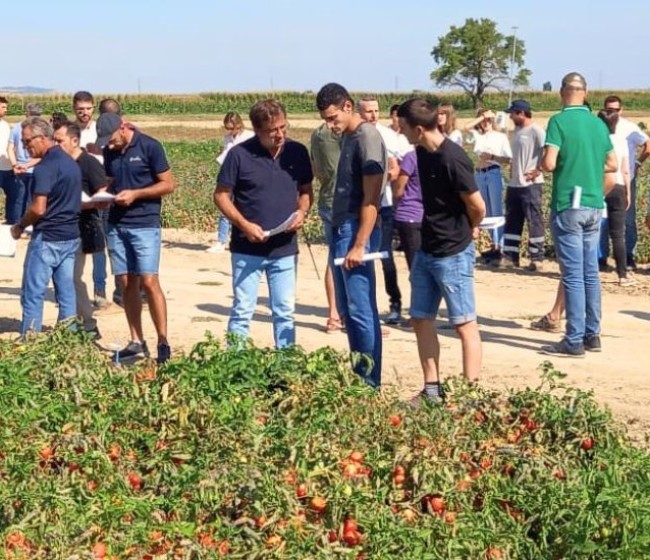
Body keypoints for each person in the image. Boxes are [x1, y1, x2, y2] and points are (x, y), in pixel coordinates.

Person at [397, 98, 486, 402]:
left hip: (453, 252)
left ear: (418, 128)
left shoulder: (453, 158)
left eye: (403, 125)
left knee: (464, 324)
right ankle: (432, 391)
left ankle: (468, 396)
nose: (399, 129)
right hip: (427, 248)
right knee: (421, 319)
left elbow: (478, 206)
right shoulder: (422, 152)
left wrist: (467, 229)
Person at [214, 99, 313, 348]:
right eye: (272, 131)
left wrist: (302, 211)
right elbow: (221, 195)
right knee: (242, 311)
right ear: (257, 131)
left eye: (283, 127)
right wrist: (244, 224)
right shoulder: (239, 155)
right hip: (247, 249)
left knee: (284, 312)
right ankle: (236, 366)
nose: (279, 134)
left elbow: (305, 190)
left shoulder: (297, 152)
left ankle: (286, 366)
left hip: (285, 249)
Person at [539, 72, 617, 357]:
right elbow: (611, 163)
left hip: (568, 201)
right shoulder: (598, 124)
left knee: (571, 274)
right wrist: (588, 163)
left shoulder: (558, 121)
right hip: (594, 202)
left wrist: (561, 162)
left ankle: (572, 340)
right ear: (585, 92)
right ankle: (591, 334)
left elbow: (549, 163)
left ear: (562, 92)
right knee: (590, 273)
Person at [316, 83, 385, 388]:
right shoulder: (348, 136)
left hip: (355, 229)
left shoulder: (367, 136)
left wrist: (359, 243)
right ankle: (360, 378)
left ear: (347, 106)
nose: (330, 125)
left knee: (360, 310)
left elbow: (371, 197)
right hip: (340, 225)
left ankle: (369, 384)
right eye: (326, 120)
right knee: (347, 310)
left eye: (333, 118)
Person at [96, 112, 176, 364]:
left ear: (123, 127)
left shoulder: (150, 146)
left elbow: (168, 184)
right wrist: (101, 193)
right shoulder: (110, 151)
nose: (108, 145)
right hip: (116, 223)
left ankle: (162, 340)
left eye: (111, 139)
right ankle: (136, 340)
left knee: (149, 281)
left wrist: (137, 194)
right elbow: (110, 180)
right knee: (125, 281)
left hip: (144, 223)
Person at [10, 117, 81, 336]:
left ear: (42, 138)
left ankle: (30, 341)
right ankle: (67, 339)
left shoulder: (45, 168)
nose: (24, 146)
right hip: (70, 237)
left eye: (27, 141)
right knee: (66, 292)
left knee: (33, 293)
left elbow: (39, 208)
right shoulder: (70, 162)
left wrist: (20, 225)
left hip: (48, 238)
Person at [53, 121, 109, 337]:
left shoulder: (88, 163)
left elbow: (103, 196)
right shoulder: (60, 162)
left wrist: (83, 203)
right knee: (64, 277)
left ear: (74, 140)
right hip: (61, 227)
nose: (56, 145)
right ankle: (74, 321)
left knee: (71, 278)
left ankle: (86, 323)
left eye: (60, 140)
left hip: (80, 228)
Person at [357, 97, 403, 325]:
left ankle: (395, 303)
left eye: (376, 110)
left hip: (383, 205)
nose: (373, 115)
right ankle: (364, 306)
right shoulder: (354, 136)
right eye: (368, 111)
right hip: (361, 205)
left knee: (384, 255)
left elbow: (397, 167)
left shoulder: (388, 136)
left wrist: (383, 179)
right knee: (362, 255)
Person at [600, 96, 650, 270]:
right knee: (602, 220)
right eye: (609, 109)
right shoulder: (600, 127)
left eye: (615, 109)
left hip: (625, 179)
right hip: (603, 179)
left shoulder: (630, 128)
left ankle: (628, 256)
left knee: (627, 220)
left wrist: (637, 164)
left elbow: (647, 144)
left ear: (621, 110)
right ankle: (601, 257)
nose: (612, 112)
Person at [501, 99, 546, 271]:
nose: (510, 117)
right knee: (512, 220)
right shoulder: (516, 132)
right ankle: (511, 256)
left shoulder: (536, 131)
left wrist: (538, 169)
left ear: (520, 113)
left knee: (534, 220)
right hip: (514, 184)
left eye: (512, 113)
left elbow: (548, 151)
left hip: (531, 185)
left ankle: (537, 258)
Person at [464, 108, 512, 264]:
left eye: (488, 120)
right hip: (479, 173)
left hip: (493, 171)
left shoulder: (500, 137)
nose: (486, 123)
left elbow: (508, 159)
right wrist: (482, 116)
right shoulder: (478, 136)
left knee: (496, 210)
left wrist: (492, 157)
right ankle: (493, 245)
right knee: (486, 211)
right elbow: (466, 128)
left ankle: (500, 246)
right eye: (483, 120)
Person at [310, 122, 343, 333]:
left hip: (326, 200)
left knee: (334, 257)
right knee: (349, 258)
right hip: (343, 204)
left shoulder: (317, 134)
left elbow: (315, 170)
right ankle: (345, 315)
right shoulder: (340, 134)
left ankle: (334, 315)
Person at [207, 112, 255, 253]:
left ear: (238, 125)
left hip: (245, 177)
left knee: (246, 208)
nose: (230, 131)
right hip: (229, 177)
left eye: (231, 128)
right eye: (227, 128)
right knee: (225, 208)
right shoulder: (227, 139)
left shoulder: (249, 136)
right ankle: (221, 241)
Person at [596, 110, 634, 286]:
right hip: (617, 186)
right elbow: (625, 170)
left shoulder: (595, 140)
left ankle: (589, 269)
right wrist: (628, 192)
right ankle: (622, 274)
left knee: (591, 229)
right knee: (618, 234)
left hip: (597, 185)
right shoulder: (620, 141)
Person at [8, 103, 43, 224]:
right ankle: (27, 225)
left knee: (19, 198)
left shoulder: (16, 127)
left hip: (21, 169)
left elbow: (10, 148)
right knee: (32, 199)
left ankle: (17, 224)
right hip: (34, 168)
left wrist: (14, 165)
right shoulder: (41, 129)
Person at [393, 149, 423, 270]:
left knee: (415, 267)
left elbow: (398, 190)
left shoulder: (411, 157)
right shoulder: (438, 157)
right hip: (429, 216)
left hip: (409, 213)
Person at [0, 96, 16, 223]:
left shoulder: (5, 125)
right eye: (3, 107)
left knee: (12, 195)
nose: (6, 110)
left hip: (7, 166)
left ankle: (10, 220)